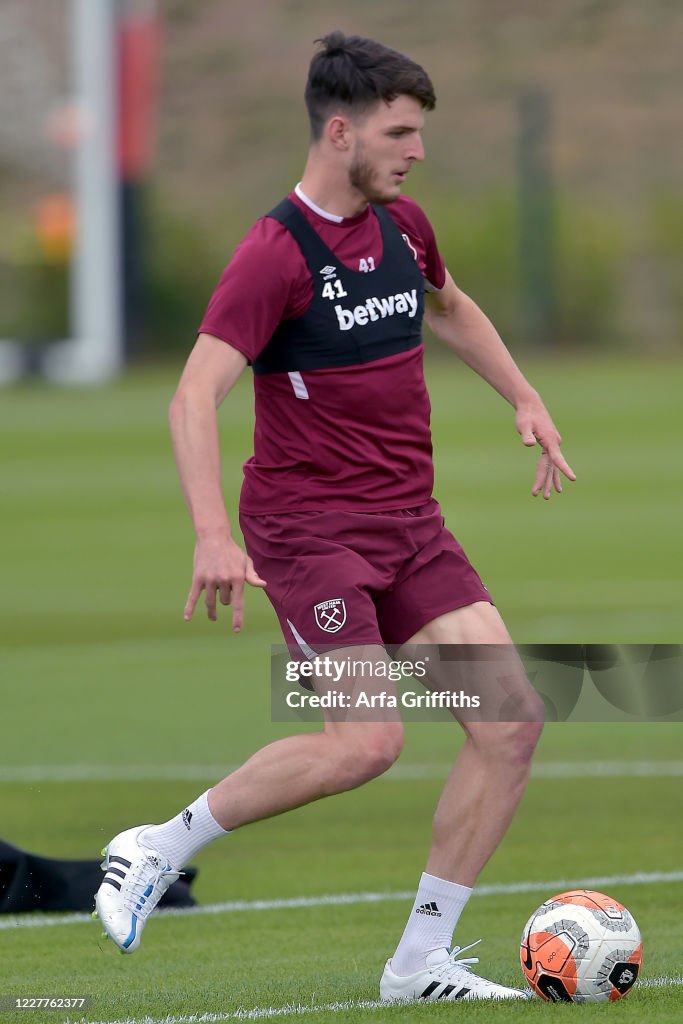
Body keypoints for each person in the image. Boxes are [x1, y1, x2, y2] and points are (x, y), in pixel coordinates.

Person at [95, 31, 576, 1001]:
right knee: (366, 741)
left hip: (408, 522)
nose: (417, 150)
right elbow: (193, 396)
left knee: (509, 721)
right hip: (309, 531)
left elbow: (447, 307)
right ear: (339, 130)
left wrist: (520, 395)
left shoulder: (403, 225)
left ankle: (416, 965)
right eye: (400, 132)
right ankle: (152, 846)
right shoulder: (274, 255)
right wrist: (209, 534)